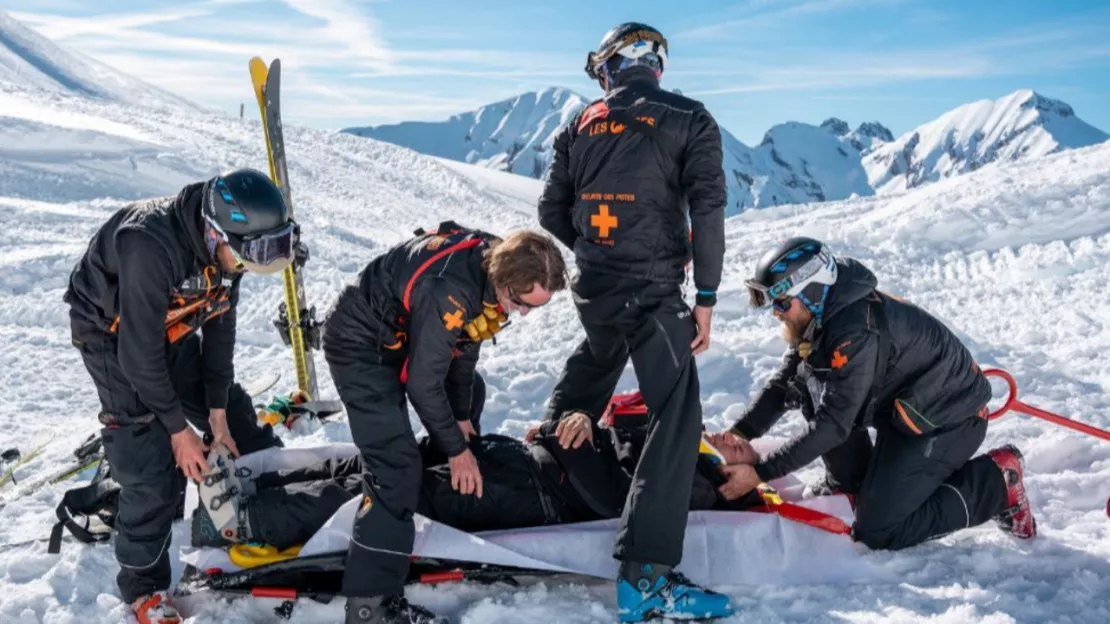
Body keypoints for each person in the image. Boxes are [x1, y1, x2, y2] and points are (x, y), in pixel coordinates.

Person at [535, 21, 731, 622]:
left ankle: (551, 441)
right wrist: (706, 295)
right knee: (676, 416)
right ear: (656, 65)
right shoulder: (691, 117)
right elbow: (708, 208)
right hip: (653, 291)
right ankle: (645, 578)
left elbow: (551, 209)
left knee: (597, 361)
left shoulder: (579, 123)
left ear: (609, 68)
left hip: (594, 287)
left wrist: (598, 252)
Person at [64, 168, 295, 624]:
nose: (250, 266)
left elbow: (220, 331)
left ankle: (262, 517)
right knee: (151, 469)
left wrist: (218, 417)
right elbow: (138, 357)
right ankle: (143, 588)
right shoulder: (148, 245)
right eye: (249, 256)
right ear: (214, 233)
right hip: (111, 336)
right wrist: (177, 431)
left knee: (239, 420)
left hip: (172, 324)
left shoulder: (232, 250)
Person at [711, 236, 1037, 552]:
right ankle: (850, 481)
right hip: (907, 412)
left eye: (782, 303)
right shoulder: (823, 315)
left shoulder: (854, 332)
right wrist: (739, 436)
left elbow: (834, 424)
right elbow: (785, 384)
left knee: (877, 529)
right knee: (808, 385)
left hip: (949, 420)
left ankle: (996, 484)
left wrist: (759, 473)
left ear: (811, 290)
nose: (776, 313)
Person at [189, 375, 761, 553]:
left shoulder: (702, 490)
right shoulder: (685, 450)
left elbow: (624, 495)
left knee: (395, 498)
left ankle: (246, 521)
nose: (725, 436)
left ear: (740, 478)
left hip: (533, 495)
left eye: (738, 447)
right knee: (382, 468)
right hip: (522, 459)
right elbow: (620, 443)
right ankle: (258, 484)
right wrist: (579, 422)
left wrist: (579, 443)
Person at [321, 220, 568, 624]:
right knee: (397, 470)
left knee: (471, 397)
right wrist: (456, 449)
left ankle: (429, 489)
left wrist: (460, 419)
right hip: (361, 345)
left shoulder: (492, 263)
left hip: (399, 337)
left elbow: (464, 345)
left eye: (534, 307)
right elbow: (423, 383)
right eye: (521, 302)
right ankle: (371, 606)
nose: (523, 313)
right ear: (506, 281)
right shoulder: (451, 291)